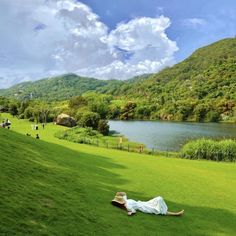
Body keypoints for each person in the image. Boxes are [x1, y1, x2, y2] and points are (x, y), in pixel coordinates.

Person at [111, 192, 184, 216]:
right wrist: (130, 212)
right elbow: (133, 211)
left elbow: (124, 193)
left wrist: (118, 194)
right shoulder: (127, 206)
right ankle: (176, 214)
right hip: (144, 208)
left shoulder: (125, 200)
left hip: (143, 203)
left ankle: (171, 212)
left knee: (159, 198)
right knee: (158, 209)